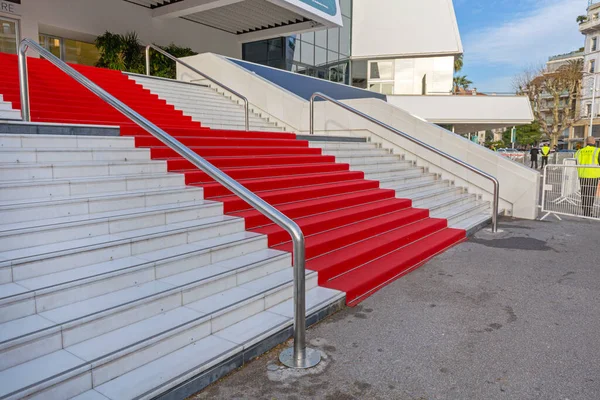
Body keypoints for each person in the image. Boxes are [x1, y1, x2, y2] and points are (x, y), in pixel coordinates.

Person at [575, 136, 600, 217]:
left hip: (582, 175)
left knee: (584, 194)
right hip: (593, 175)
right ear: (594, 142)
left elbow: (576, 162)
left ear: (586, 142)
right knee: (591, 195)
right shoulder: (597, 150)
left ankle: (586, 212)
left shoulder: (579, 151)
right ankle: (589, 212)